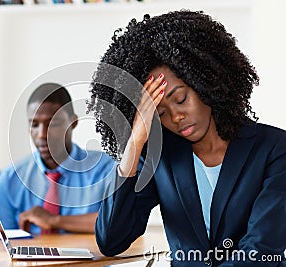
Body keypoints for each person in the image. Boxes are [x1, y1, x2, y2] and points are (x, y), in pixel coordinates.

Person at [88, 10, 286, 266]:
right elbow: (111, 240)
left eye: (181, 99)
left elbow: (261, 250)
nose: (176, 117)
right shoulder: (161, 158)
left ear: (206, 81)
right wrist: (135, 143)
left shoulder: (275, 149)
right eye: (160, 113)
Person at [0, 82, 116, 234]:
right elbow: (4, 241)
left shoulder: (104, 169)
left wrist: (53, 220)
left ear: (73, 122)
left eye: (53, 124)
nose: (41, 134)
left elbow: (118, 223)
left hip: (90, 257)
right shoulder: (10, 178)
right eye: (34, 125)